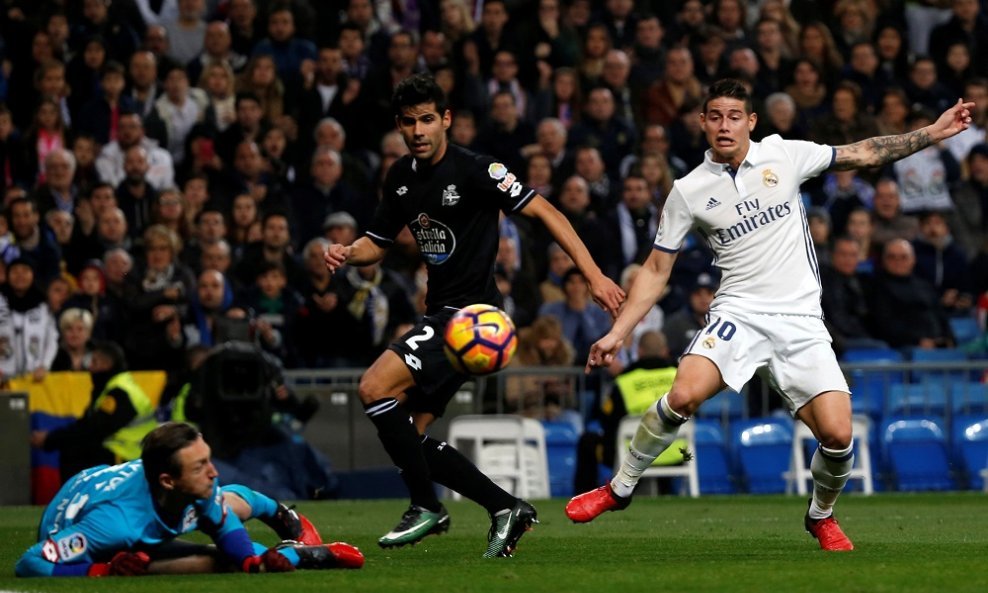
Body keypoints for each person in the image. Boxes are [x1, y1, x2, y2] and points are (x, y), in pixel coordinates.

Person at [564, 78, 977, 551]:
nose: (725, 125)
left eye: (734, 116)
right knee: (682, 395)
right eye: (715, 116)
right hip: (738, 312)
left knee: (839, 436)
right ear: (702, 123)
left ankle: (821, 516)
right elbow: (657, 268)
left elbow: (864, 152)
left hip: (800, 320)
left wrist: (932, 131)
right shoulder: (688, 191)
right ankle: (619, 488)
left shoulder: (784, 155)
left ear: (751, 122)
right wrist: (619, 332)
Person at [323, 73, 625, 557]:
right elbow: (376, 244)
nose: (418, 130)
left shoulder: (479, 171)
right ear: (399, 127)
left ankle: (426, 507)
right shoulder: (401, 178)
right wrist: (346, 252)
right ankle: (505, 507)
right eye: (408, 122)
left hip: (471, 318)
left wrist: (593, 276)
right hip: (441, 313)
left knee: (373, 388)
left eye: (427, 119)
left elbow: (548, 213)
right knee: (408, 433)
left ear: (446, 121)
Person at [17, 421, 363, 577]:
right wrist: (102, 569)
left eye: (208, 459)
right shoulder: (113, 524)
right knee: (209, 562)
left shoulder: (197, 487)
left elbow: (245, 559)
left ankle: (288, 520)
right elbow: (31, 562)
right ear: (168, 480)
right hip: (91, 525)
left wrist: (266, 560)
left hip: (150, 506)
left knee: (229, 508)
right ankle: (305, 550)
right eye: (200, 466)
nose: (213, 472)